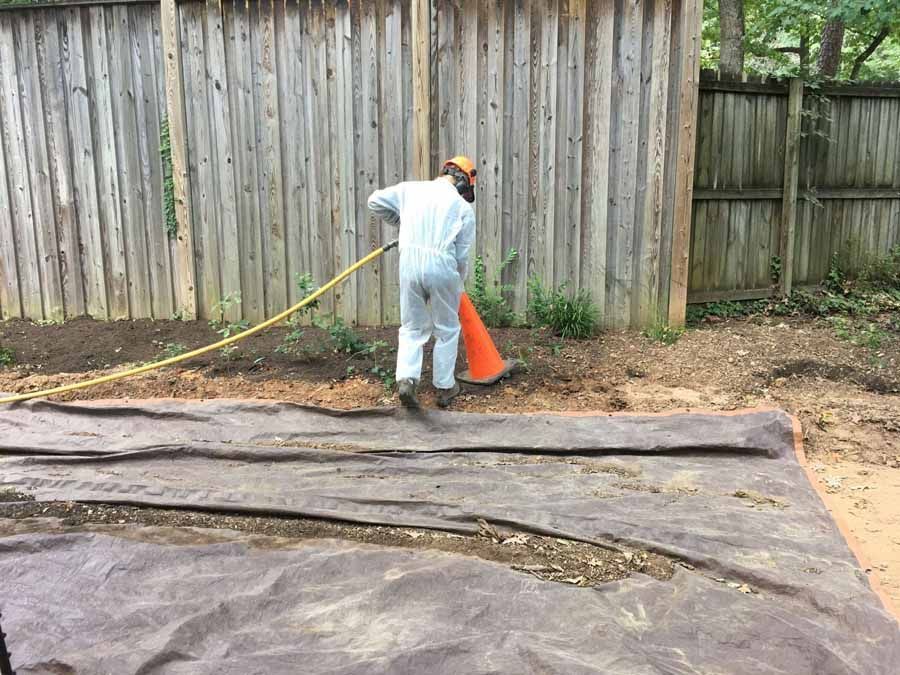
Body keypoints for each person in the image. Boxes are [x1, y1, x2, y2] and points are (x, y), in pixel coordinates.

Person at [367, 156, 477, 409]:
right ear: (462, 183)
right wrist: (458, 282)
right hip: (442, 266)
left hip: (409, 263)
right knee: (447, 328)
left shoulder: (409, 190)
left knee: (412, 327)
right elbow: (461, 255)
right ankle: (445, 387)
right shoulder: (461, 208)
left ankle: (407, 379)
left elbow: (374, 201)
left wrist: (401, 221)